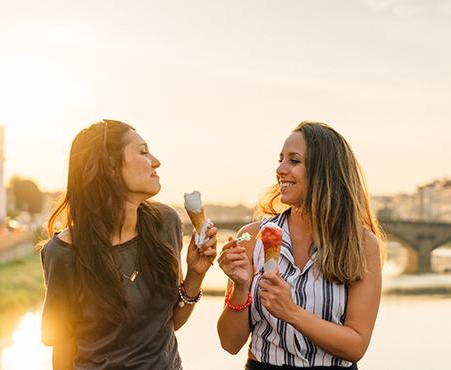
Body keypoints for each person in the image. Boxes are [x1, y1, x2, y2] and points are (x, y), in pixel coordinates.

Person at [39, 119, 218, 370]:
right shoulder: (64, 253)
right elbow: (63, 348)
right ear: (111, 167)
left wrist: (196, 274)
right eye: (143, 152)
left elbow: (171, 321)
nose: (156, 161)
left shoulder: (165, 223)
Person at [217, 121, 383, 370]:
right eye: (280, 159)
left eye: (294, 161)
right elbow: (230, 344)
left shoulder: (361, 244)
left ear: (324, 171)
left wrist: (291, 312)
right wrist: (240, 288)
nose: (280, 169)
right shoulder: (252, 238)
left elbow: (356, 346)